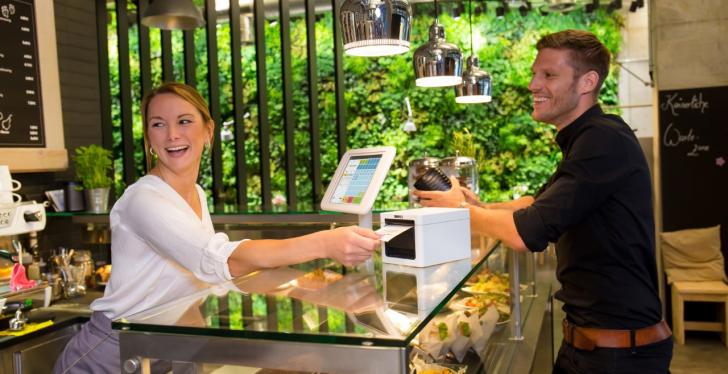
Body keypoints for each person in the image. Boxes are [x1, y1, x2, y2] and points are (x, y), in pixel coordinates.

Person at [53, 82, 380, 373]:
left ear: (208, 131)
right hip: (112, 353)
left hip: (167, 347)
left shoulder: (194, 194)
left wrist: (313, 286)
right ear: (149, 137)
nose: (173, 135)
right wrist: (325, 243)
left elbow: (227, 274)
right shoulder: (143, 200)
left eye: (184, 121)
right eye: (158, 125)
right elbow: (219, 261)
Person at [416, 30, 673, 373]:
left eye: (549, 75)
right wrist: (480, 207)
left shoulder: (603, 140)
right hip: (592, 345)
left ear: (588, 82)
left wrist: (457, 211)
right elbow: (535, 202)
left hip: (617, 356)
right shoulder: (587, 139)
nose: (533, 85)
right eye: (535, 73)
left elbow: (526, 234)